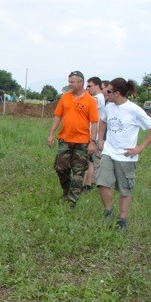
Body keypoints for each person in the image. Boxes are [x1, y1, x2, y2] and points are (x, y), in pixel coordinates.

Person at [96, 78, 151, 231]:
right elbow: (103, 121)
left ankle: (122, 220)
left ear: (117, 93)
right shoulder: (109, 107)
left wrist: (140, 148)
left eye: (109, 91)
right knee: (101, 182)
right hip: (109, 152)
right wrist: (100, 140)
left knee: (125, 189)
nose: (106, 93)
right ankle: (108, 211)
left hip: (126, 156)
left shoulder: (134, 110)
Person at [46, 70, 99, 206]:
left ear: (81, 82)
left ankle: (72, 201)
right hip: (65, 139)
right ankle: (67, 191)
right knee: (60, 168)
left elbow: (94, 122)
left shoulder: (90, 101)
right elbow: (58, 115)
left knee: (78, 173)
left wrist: (92, 142)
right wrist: (51, 134)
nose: (69, 84)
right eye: (69, 81)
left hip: (82, 142)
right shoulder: (65, 97)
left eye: (72, 82)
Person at [82, 76, 107, 191]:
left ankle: (88, 185)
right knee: (89, 161)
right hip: (92, 135)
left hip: (94, 136)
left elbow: (87, 104)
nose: (88, 88)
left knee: (91, 161)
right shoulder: (96, 97)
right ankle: (87, 183)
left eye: (89, 86)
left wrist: (82, 93)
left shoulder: (98, 98)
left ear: (97, 85)